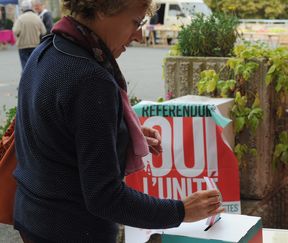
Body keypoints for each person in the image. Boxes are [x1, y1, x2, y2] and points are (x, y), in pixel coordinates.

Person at [13, 0, 223, 242]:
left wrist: (115, 131)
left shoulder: (49, 47)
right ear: (103, 9)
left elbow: (52, 130)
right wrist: (181, 210)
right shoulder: (90, 79)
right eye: (136, 22)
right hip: (73, 229)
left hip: (33, 216)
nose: (139, 36)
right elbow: (105, 197)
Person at [12, 0, 46, 69]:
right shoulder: (37, 17)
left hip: (22, 46)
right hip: (35, 45)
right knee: (34, 65)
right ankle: (33, 79)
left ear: (23, 9)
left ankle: (26, 79)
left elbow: (15, 31)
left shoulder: (20, 18)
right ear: (31, 7)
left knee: (25, 66)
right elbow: (44, 31)